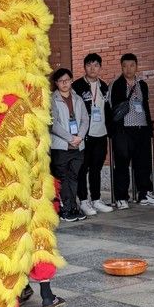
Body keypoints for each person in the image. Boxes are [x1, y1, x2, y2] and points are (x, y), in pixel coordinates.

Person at [109, 53, 154, 208]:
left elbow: (145, 106)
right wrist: (114, 131)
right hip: (124, 130)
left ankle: (144, 194)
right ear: (121, 67)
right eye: (125, 66)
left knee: (143, 163)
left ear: (136, 66)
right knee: (122, 164)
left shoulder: (142, 85)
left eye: (132, 65)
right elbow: (112, 108)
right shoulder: (116, 84)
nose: (128, 69)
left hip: (142, 129)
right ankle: (121, 197)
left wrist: (149, 128)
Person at [72, 53, 113, 215]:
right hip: (85, 135)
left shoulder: (104, 86)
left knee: (96, 168)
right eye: (89, 65)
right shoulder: (77, 86)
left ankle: (96, 199)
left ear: (100, 67)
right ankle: (83, 201)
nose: (92, 68)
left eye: (96, 65)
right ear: (84, 67)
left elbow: (107, 109)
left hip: (101, 134)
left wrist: (110, 130)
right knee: (83, 168)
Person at [51, 68, 90, 221]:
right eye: (61, 81)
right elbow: (53, 124)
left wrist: (79, 136)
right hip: (61, 146)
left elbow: (85, 120)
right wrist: (70, 138)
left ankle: (73, 207)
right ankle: (65, 210)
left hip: (78, 146)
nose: (64, 83)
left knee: (74, 177)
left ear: (72, 80)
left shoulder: (78, 98)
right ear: (56, 83)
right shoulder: (52, 100)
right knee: (63, 177)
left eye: (67, 80)